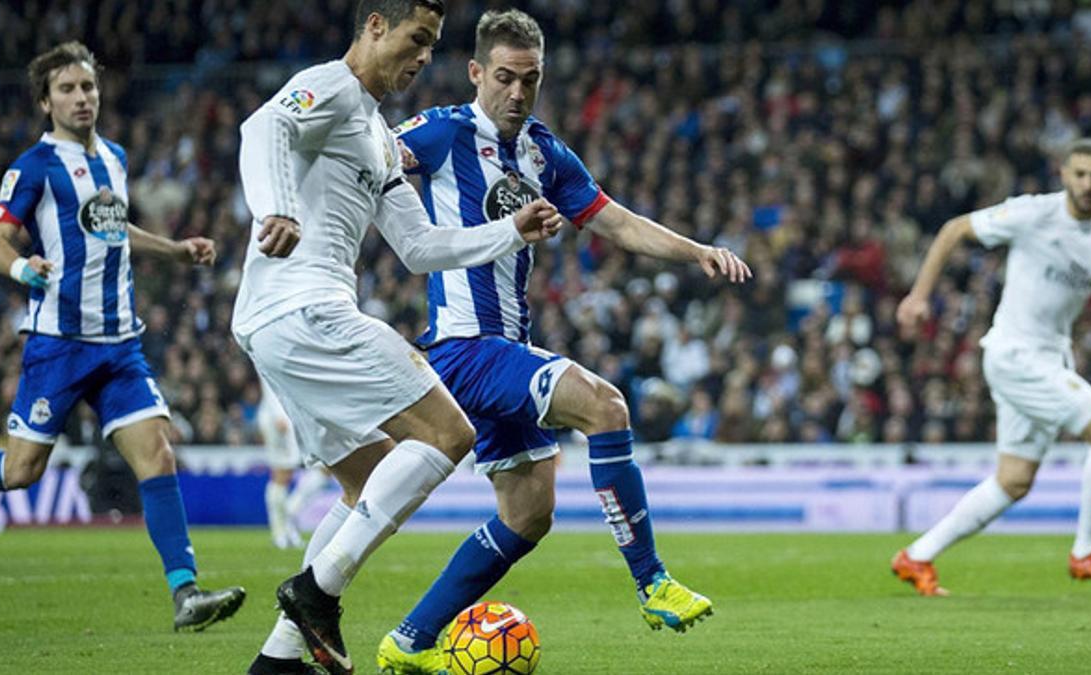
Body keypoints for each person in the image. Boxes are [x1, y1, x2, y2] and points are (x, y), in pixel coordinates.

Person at [377, 9, 752, 672]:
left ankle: (406, 641)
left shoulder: (543, 152)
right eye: (504, 78)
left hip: (504, 347)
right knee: (606, 406)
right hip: (465, 346)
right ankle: (653, 582)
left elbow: (615, 221)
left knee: (529, 513)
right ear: (475, 73)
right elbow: (368, 156)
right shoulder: (439, 132)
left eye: (531, 79)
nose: (518, 93)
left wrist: (695, 251)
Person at [234, 2, 563, 674]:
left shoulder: (380, 136)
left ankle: (279, 658)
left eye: (433, 44)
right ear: (375, 26)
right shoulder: (332, 86)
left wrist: (509, 231)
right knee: (449, 433)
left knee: (366, 480)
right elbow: (261, 126)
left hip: (277, 323)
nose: (422, 58)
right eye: (416, 39)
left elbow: (418, 245)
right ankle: (315, 591)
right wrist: (275, 207)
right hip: (304, 305)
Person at [0, 41, 246, 631]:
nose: (82, 98)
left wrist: (175, 250)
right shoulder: (33, 166)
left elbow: (113, 228)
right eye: (68, 90)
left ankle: (186, 593)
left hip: (120, 344)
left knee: (157, 452)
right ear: (45, 101)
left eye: (88, 87)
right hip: (60, 344)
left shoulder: (116, 158)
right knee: (22, 471)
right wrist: (25, 269)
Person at [890, 137, 1091, 596]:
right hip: (1014, 353)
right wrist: (919, 296)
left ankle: (916, 557)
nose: (1087, 183)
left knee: (1014, 480)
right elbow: (954, 229)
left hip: (1051, 354)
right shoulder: (1033, 213)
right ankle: (1086, 550)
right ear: (1063, 174)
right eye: (1079, 174)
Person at [257, 375, 329, 550]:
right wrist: (278, 414)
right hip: (279, 415)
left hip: (301, 412)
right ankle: (279, 532)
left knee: (327, 467)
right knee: (282, 473)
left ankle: (291, 511)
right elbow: (268, 375)